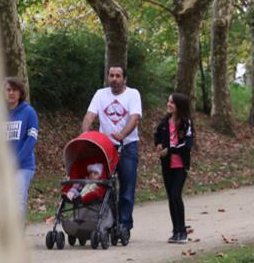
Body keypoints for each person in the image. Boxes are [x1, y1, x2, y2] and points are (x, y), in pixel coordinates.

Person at [81, 66, 142, 238]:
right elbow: (90, 115)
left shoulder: (133, 94)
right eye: (111, 75)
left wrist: (122, 134)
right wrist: (86, 135)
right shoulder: (100, 94)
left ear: (124, 79)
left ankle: (124, 225)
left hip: (128, 146)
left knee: (127, 187)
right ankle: (108, 222)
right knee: (104, 186)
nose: (114, 78)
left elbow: (134, 118)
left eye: (118, 76)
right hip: (105, 146)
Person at [154, 92, 194, 243]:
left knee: (176, 195)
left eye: (172, 102)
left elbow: (187, 145)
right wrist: (158, 144)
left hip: (180, 165)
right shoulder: (165, 122)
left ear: (179, 106)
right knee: (171, 197)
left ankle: (182, 231)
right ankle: (175, 230)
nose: (168, 104)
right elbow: (157, 135)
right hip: (167, 165)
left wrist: (170, 150)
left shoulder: (186, 123)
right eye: (168, 101)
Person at [5, 77, 38, 217]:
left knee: (18, 199)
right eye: (8, 90)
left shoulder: (29, 112)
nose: (11, 93)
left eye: (15, 90)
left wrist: (16, 161)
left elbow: (31, 139)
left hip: (23, 166)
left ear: (20, 93)